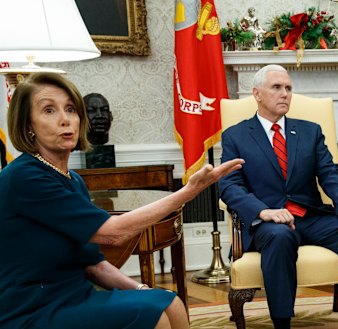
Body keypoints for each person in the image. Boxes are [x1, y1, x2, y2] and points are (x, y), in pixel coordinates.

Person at [0, 72, 244, 329]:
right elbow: (112, 233)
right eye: (49, 110)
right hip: (31, 307)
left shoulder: (72, 180)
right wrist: (187, 192)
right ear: (28, 125)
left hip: (73, 296)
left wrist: (140, 288)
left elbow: (93, 264)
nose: (65, 119)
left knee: (169, 301)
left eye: (70, 109)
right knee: (151, 314)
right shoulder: (25, 176)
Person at [219, 64, 338, 329]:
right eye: (277, 88)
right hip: (268, 223)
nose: (285, 94)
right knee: (280, 237)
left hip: (309, 216)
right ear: (257, 94)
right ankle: (282, 324)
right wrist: (262, 212)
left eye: (289, 88)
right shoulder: (236, 136)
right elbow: (229, 186)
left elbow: (330, 174)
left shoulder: (309, 131)